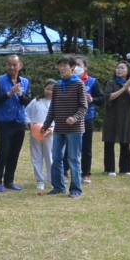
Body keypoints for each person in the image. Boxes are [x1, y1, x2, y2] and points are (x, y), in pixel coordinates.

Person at [42, 56, 88, 198]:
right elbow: (53, 108)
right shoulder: (57, 86)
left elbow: (83, 107)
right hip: (59, 128)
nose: (62, 68)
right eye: (60, 65)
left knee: (73, 159)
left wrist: (74, 118)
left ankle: (76, 190)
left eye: (65, 65)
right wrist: (46, 125)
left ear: (73, 67)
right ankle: (58, 186)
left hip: (74, 129)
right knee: (56, 158)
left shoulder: (79, 84)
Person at [0, 55, 31, 192]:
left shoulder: (25, 82)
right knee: (3, 151)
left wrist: (20, 95)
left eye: (15, 65)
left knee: (14, 152)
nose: (12, 67)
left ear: (20, 66)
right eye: (9, 64)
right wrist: (9, 94)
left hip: (19, 120)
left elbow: (28, 103)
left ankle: (9, 180)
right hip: (4, 121)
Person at [101, 61, 130, 176]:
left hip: (126, 117)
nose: (119, 70)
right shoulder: (111, 83)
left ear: (128, 71)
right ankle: (109, 168)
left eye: (122, 68)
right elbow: (108, 97)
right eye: (118, 68)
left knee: (125, 143)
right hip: (111, 116)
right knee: (109, 142)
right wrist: (122, 89)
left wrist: (128, 88)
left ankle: (125, 169)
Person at [74, 56, 102, 184]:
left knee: (86, 147)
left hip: (87, 118)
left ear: (85, 67)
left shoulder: (92, 82)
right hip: (72, 118)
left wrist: (93, 100)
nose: (76, 67)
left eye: (79, 65)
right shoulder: (68, 80)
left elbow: (102, 99)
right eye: (74, 65)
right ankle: (66, 173)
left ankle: (86, 173)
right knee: (70, 146)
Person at [25, 81, 55, 191]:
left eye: (52, 89)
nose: (49, 92)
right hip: (35, 133)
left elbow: (59, 120)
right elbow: (26, 113)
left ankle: (53, 180)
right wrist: (29, 123)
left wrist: (51, 129)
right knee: (36, 156)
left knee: (50, 157)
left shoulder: (57, 103)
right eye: (47, 89)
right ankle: (40, 180)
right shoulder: (36, 101)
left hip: (49, 134)